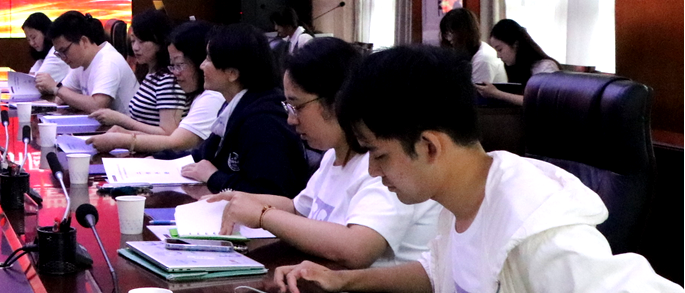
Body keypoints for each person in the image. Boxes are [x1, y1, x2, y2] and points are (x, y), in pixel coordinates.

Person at [270, 46, 680, 293]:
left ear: (429, 146)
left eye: (379, 155)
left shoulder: (534, 229)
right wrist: (342, 282)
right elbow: (439, 273)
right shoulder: (459, 196)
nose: (375, 173)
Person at [204, 38, 439, 270]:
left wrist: (263, 215)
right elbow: (299, 209)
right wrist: (244, 200)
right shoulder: (334, 155)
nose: (291, 119)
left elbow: (357, 248)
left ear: (336, 102)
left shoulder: (384, 164)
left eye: (297, 106)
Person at [181, 23, 309, 196]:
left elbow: (269, 192)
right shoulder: (236, 105)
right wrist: (157, 160)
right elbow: (204, 155)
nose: (202, 65)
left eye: (209, 59)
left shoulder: (264, 122)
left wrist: (214, 177)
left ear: (232, 73)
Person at [88, 20, 224, 154]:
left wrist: (120, 139)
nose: (174, 73)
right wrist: (125, 133)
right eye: (133, 41)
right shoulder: (197, 94)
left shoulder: (212, 98)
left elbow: (174, 142)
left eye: (179, 64)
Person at [95, 8, 185, 131]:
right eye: (133, 41)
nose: (135, 47)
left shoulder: (168, 80)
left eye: (142, 41)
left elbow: (168, 133)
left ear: (159, 41)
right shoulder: (150, 74)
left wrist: (121, 120)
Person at [33, 11, 138, 114]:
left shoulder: (108, 61)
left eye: (64, 51)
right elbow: (61, 98)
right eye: (59, 53)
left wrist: (56, 88)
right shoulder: (80, 63)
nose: (63, 58)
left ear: (84, 41)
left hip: (129, 124)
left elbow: (97, 106)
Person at [474, 19, 560, 106]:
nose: (498, 56)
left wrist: (497, 93)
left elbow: (544, 102)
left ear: (516, 45)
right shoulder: (516, 68)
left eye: (500, 49)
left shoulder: (545, 67)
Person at [439, 7, 507, 85]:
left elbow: (475, 91)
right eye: (446, 34)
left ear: (464, 33)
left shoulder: (483, 58)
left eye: (451, 33)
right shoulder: (471, 52)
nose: (448, 39)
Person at [22, 12, 70, 84]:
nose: (32, 43)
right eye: (28, 40)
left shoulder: (56, 52)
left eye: (34, 37)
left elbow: (35, 83)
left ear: (45, 32)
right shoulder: (41, 59)